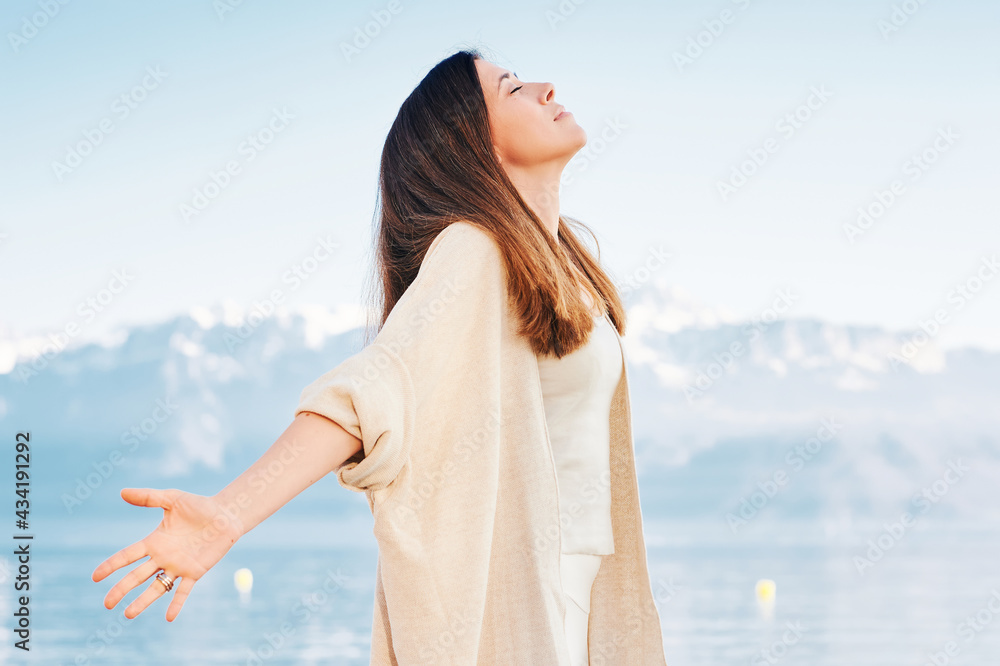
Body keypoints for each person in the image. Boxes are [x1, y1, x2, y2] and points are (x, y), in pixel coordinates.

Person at [92, 47, 667, 664]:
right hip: (520, 610)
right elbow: (374, 389)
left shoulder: (566, 268)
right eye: (512, 88)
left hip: (577, 596)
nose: (547, 88)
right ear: (470, 143)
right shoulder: (474, 251)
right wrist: (227, 514)